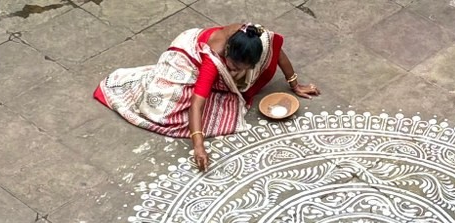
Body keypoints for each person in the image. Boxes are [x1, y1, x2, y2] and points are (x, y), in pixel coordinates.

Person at [94, 23, 320, 171]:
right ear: (227, 52)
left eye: (242, 68)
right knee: (166, 110)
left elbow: (277, 53)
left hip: (215, 54)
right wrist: (198, 145)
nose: (235, 72)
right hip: (185, 58)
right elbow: (196, 104)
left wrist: (295, 84)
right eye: (232, 67)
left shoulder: (256, 36)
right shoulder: (212, 60)